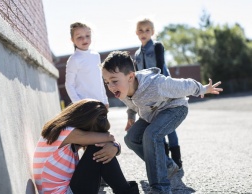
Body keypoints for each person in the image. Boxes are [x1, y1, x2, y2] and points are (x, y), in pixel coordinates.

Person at [101, 51, 223, 194]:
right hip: (152, 114)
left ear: (130, 77)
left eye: (114, 81)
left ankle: (161, 188)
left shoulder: (155, 83)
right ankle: (167, 166)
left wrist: (203, 88)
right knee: (131, 139)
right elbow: (132, 104)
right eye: (107, 82)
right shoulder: (122, 88)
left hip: (175, 108)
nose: (110, 86)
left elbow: (183, 85)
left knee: (151, 135)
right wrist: (131, 117)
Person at [33, 99, 140, 194]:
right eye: (93, 132)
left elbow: (109, 140)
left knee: (100, 148)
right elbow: (109, 137)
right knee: (98, 147)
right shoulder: (66, 132)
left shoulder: (61, 132)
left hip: (66, 190)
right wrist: (114, 146)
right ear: (84, 124)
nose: (93, 137)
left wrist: (115, 147)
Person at [134, 18, 182, 169]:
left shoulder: (157, 47)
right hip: (148, 95)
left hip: (163, 90)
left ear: (153, 32)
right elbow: (137, 75)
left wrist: (168, 91)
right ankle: (167, 162)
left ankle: (177, 160)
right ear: (136, 33)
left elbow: (161, 68)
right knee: (157, 126)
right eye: (140, 30)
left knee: (169, 127)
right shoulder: (136, 54)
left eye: (147, 30)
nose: (144, 33)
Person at [65, 22, 109, 108]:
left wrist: (105, 100)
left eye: (87, 36)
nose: (84, 40)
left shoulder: (96, 55)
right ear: (72, 40)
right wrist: (78, 104)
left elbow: (99, 80)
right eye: (79, 37)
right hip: (85, 106)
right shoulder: (74, 59)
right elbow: (69, 85)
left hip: (100, 104)